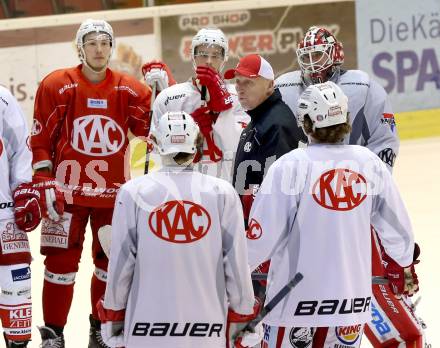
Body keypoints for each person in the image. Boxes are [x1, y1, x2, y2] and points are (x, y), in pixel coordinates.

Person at [275, 26, 428, 347]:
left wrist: (368, 186)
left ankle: (389, 322)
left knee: (367, 268)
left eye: (318, 55)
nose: (312, 64)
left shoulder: (364, 86)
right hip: (302, 199)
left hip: (351, 196)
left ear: (336, 55)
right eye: (306, 57)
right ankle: (309, 325)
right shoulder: (284, 86)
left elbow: (385, 141)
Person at [246, 81, 418, 348]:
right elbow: (399, 231)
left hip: (294, 306)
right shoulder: (368, 162)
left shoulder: (290, 166)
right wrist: (402, 263)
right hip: (350, 305)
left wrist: (229, 272)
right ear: (345, 118)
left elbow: (261, 239)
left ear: (305, 122)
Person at [30, 19, 151, 347]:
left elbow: (150, 135)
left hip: (112, 196)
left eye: (104, 42)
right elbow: (40, 138)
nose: (99, 49)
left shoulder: (131, 89)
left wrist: (161, 93)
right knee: (59, 265)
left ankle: (99, 327)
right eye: (92, 42)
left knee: (108, 265)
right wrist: (42, 179)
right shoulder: (57, 84)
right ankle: (53, 334)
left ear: (112, 47)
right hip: (66, 193)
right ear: (79, 48)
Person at [98, 111, 262, 348]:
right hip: (208, 329)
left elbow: (122, 263)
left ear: (154, 144)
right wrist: (243, 313)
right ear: (197, 143)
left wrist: (113, 313)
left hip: (145, 328)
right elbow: (236, 262)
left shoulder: (133, 192)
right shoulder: (222, 192)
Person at [149, 27, 249, 182]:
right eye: (203, 54)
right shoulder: (169, 97)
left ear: (225, 58)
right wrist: (191, 126)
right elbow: (156, 149)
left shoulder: (238, 97)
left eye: (215, 55)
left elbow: (240, 146)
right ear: (193, 56)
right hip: (180, 186)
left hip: (224, 184)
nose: (209, 61)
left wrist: (222, 112)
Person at [226, 54, 306, 228]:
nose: (240, 88)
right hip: (253, 226)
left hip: (265, 233)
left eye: (248, 82)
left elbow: (280, 190)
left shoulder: (276, 123)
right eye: (237, 81)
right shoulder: (260, 119)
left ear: (270, 85)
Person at [0, 86, 43, 347]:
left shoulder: (1, 97)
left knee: (17, 301)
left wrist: (23, 191)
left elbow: (22, 149)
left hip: (4, 215)